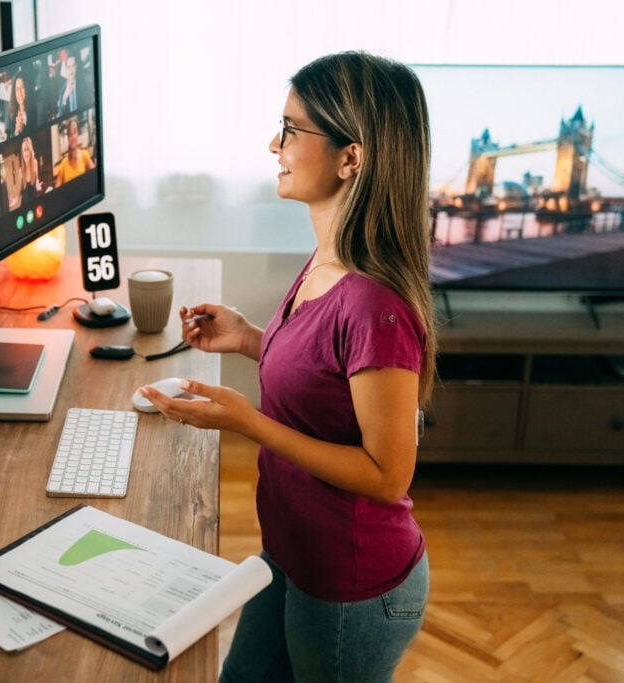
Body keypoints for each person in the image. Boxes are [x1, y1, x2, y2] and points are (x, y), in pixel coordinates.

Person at [138, 52, 436, 683]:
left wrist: (251, 423)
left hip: (349, 587)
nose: (275, 144)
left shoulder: (374, 304)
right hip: (291, 555)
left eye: (292, 129)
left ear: (350, 158)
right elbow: (326, 379)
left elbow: (388, 475)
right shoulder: (328, 260)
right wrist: (249, 337)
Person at [54, 118, 95, 185]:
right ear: (67, 137)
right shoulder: (63, 164)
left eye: (75, 132)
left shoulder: (84, 155)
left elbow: (95, 176)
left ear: (78, 134)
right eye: (70, 134)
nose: (73, 137)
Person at [7, 74, 35, 139]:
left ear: (27, 88)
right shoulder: (11, 114)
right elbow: (10, 141)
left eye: (22, 88)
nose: (19, 92)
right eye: (17, 89)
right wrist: (16, 131)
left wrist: (23, 128)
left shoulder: (34, 109)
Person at [19, 136, 43, 205]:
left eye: (28, 149)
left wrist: (38, 185)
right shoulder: (20, 171)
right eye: (24, 150)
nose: (26, 153)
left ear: (31, 150)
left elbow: (37, 179)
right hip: (25, 204)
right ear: (22, 153)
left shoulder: (35, 163)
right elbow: (20, 192)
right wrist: (15, 200)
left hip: (35, 200)